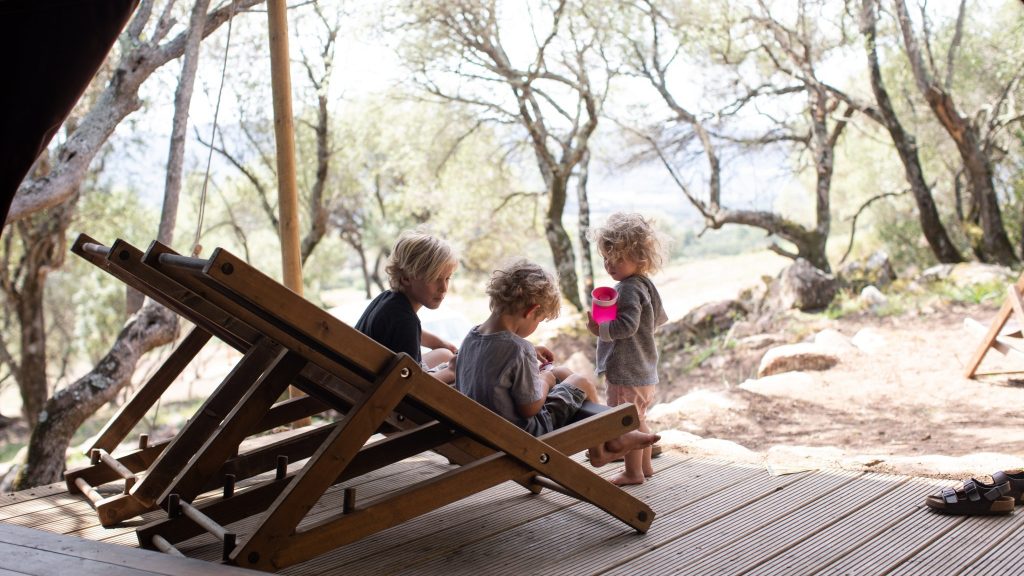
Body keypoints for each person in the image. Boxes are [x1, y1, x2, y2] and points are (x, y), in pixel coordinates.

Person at [456, 259, 660, 469]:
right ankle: (603, 447)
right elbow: (530, 407)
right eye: (539, 320)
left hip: (485, 430)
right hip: (524, 434)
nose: (536, 326)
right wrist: (545, 378)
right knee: (581, 381)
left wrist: (532, 355)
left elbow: (493, 364)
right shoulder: (518, 349)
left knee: (562, 372)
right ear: (530, 311)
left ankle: (608, 442)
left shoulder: (471, 338)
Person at [586, 212, 668, 486]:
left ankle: (633, 473)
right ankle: (643, 468)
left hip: (626, 371)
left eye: (618, 258)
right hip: (643, 368)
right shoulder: (646, 285)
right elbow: (657, 319)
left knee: (625, 423)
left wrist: (601, 329)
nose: (610, 264)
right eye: (607, 258)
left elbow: (628, 326)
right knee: (638, 419)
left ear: (640, 258)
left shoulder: (628, 289)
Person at [355, 230, 459, 384]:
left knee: (444, 353)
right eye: (435, 278)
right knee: (457, 371)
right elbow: (412, 388)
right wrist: (451, 372)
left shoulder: (388, 300)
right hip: (388, 393)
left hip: (374, 379)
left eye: (447, 278)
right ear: (406, 278)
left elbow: (404, 332)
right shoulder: (405, 321)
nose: (443, 288)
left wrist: (441, 343)